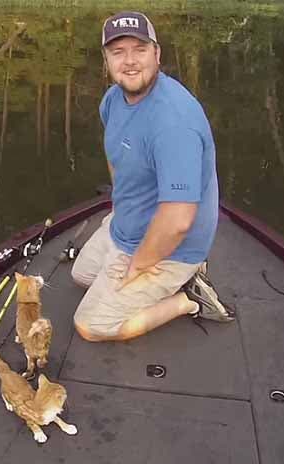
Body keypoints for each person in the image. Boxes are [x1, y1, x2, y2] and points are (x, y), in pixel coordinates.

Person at [71, 11, 234, 342]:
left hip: (171, 246)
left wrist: (139, 266)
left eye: (139, 49)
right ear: (106, 59)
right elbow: (117, 153)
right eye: (118, 52)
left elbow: (177, 221)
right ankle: (148, 277)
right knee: (81, 276)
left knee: (91, 326)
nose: (129, 61)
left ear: (157, 54)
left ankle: (189, 299)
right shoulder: (113, 100)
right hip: (127, 226)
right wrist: (121, 205)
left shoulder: (174, 124)